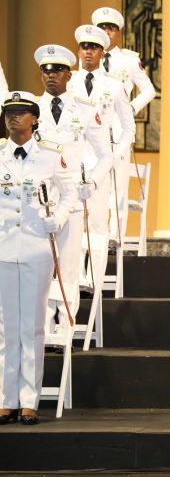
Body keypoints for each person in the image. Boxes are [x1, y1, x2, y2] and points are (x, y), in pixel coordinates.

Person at [0, 91, 77, 425]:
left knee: (32, 326)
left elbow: (71, 192)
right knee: (6, 328)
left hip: (35, 247)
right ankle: (6, 398)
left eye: (20, 113)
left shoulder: (50, 155)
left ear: (34, 119)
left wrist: (57, 219)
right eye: (8, 113)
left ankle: (29, 399)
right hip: (4, 247)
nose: (13, 118)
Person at [35, 44, 112, 333]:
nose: (50, 76)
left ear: (69, 74)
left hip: (73, 197)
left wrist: (91, 181)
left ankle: (65, 328)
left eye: (57, 71)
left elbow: (106, 153)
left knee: (68, 266)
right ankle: (40, 327)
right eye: (45, 70)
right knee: (38, 267)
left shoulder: (83, 108)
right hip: (40, 199)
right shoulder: (34, 110)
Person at [69, 24, 135, 290]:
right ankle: (73, 275)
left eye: (94, 48)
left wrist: (116, 155)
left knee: (96, 220)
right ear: (78, 50)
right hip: (71, 161)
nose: (88, 52)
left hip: (100, 163)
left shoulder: (114, 86)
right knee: (71, 220)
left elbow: (128, 127)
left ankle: (93, 278)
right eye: (84, 47)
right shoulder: (67, 81)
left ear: (102, 52)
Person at [91, 6, 155, 246]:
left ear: (118, 33)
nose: (107, 33)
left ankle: (114, 235)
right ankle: (95, 234)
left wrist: (130, 109)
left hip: (119, 129)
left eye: (111, 29)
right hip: (91, 130)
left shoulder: (127, 60)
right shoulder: (86, 58)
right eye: (102, 28)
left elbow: (148, 90)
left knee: (117, 183)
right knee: (94, 182)